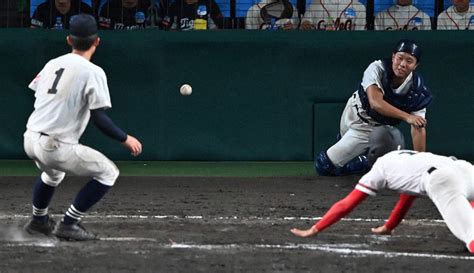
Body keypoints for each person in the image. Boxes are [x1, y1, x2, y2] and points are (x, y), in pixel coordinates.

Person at [23, 14, 143, 241]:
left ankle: (39, 221)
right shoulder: (93, 72)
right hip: (55, 145)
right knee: (109, 172)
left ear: (69, 40)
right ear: (97, 41)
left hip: (30, 138)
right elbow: (99, 118)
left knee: (52, 175)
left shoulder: (52, 64)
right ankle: (69, 224)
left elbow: (40, 94)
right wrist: (124, 138)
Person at [291, 126, 474, 254]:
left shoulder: (382, 165)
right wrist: (389, 227)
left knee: (470, 238)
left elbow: (346, 204)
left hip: (443, 180)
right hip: (465, 169)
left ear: (374, 149)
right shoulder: (411, 158)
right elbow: (406, 198)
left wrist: (315, 228)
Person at [314, 39, 432, 176]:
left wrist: (421, 164)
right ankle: (370, 158)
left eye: (409, 61)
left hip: (369, 129)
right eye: (400, 58)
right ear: (393, 56)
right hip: (352, 109)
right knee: (341, 142)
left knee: (323, 165)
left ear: (416, 65)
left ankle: (369, 162)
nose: (402, 64)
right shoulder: (377, 68)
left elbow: (418, 128)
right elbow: (376, 102)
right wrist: (408, 117)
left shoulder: (417, 91)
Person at [299, 0, 367, 30]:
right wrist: (305, 26)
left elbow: (361, 36)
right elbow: (303, 27)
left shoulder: (359, 7)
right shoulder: (314, 5)